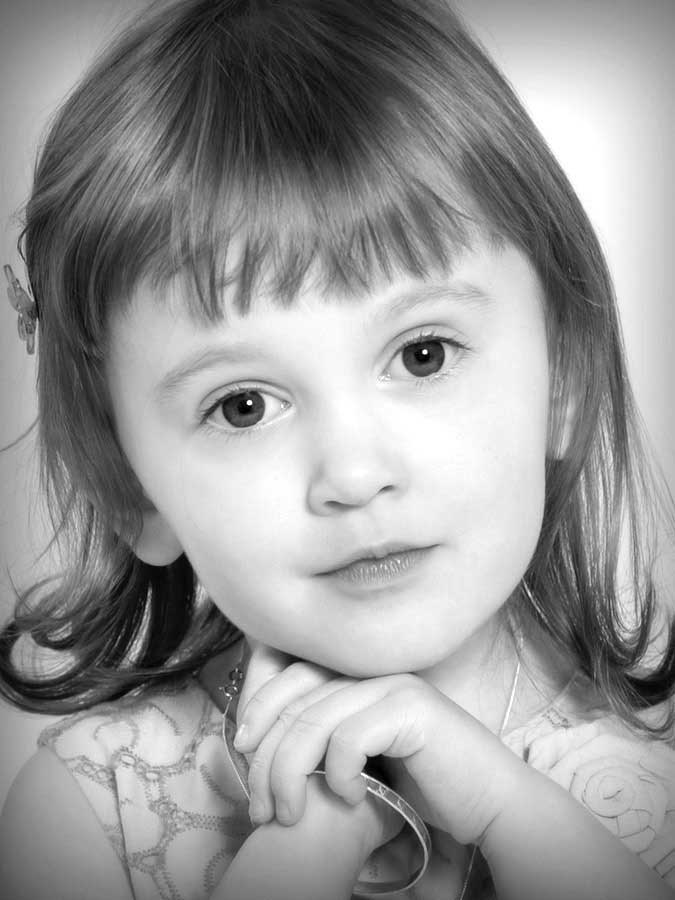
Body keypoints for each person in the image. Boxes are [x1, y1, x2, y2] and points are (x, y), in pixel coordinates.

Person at [0, 0, 674, 897]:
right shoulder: (91, 809)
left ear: (565, 377)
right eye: (243, 405)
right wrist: (308, 839)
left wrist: (509, 812)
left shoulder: (655, 770)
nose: (354, 476)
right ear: (130, 488)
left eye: (422, 355)